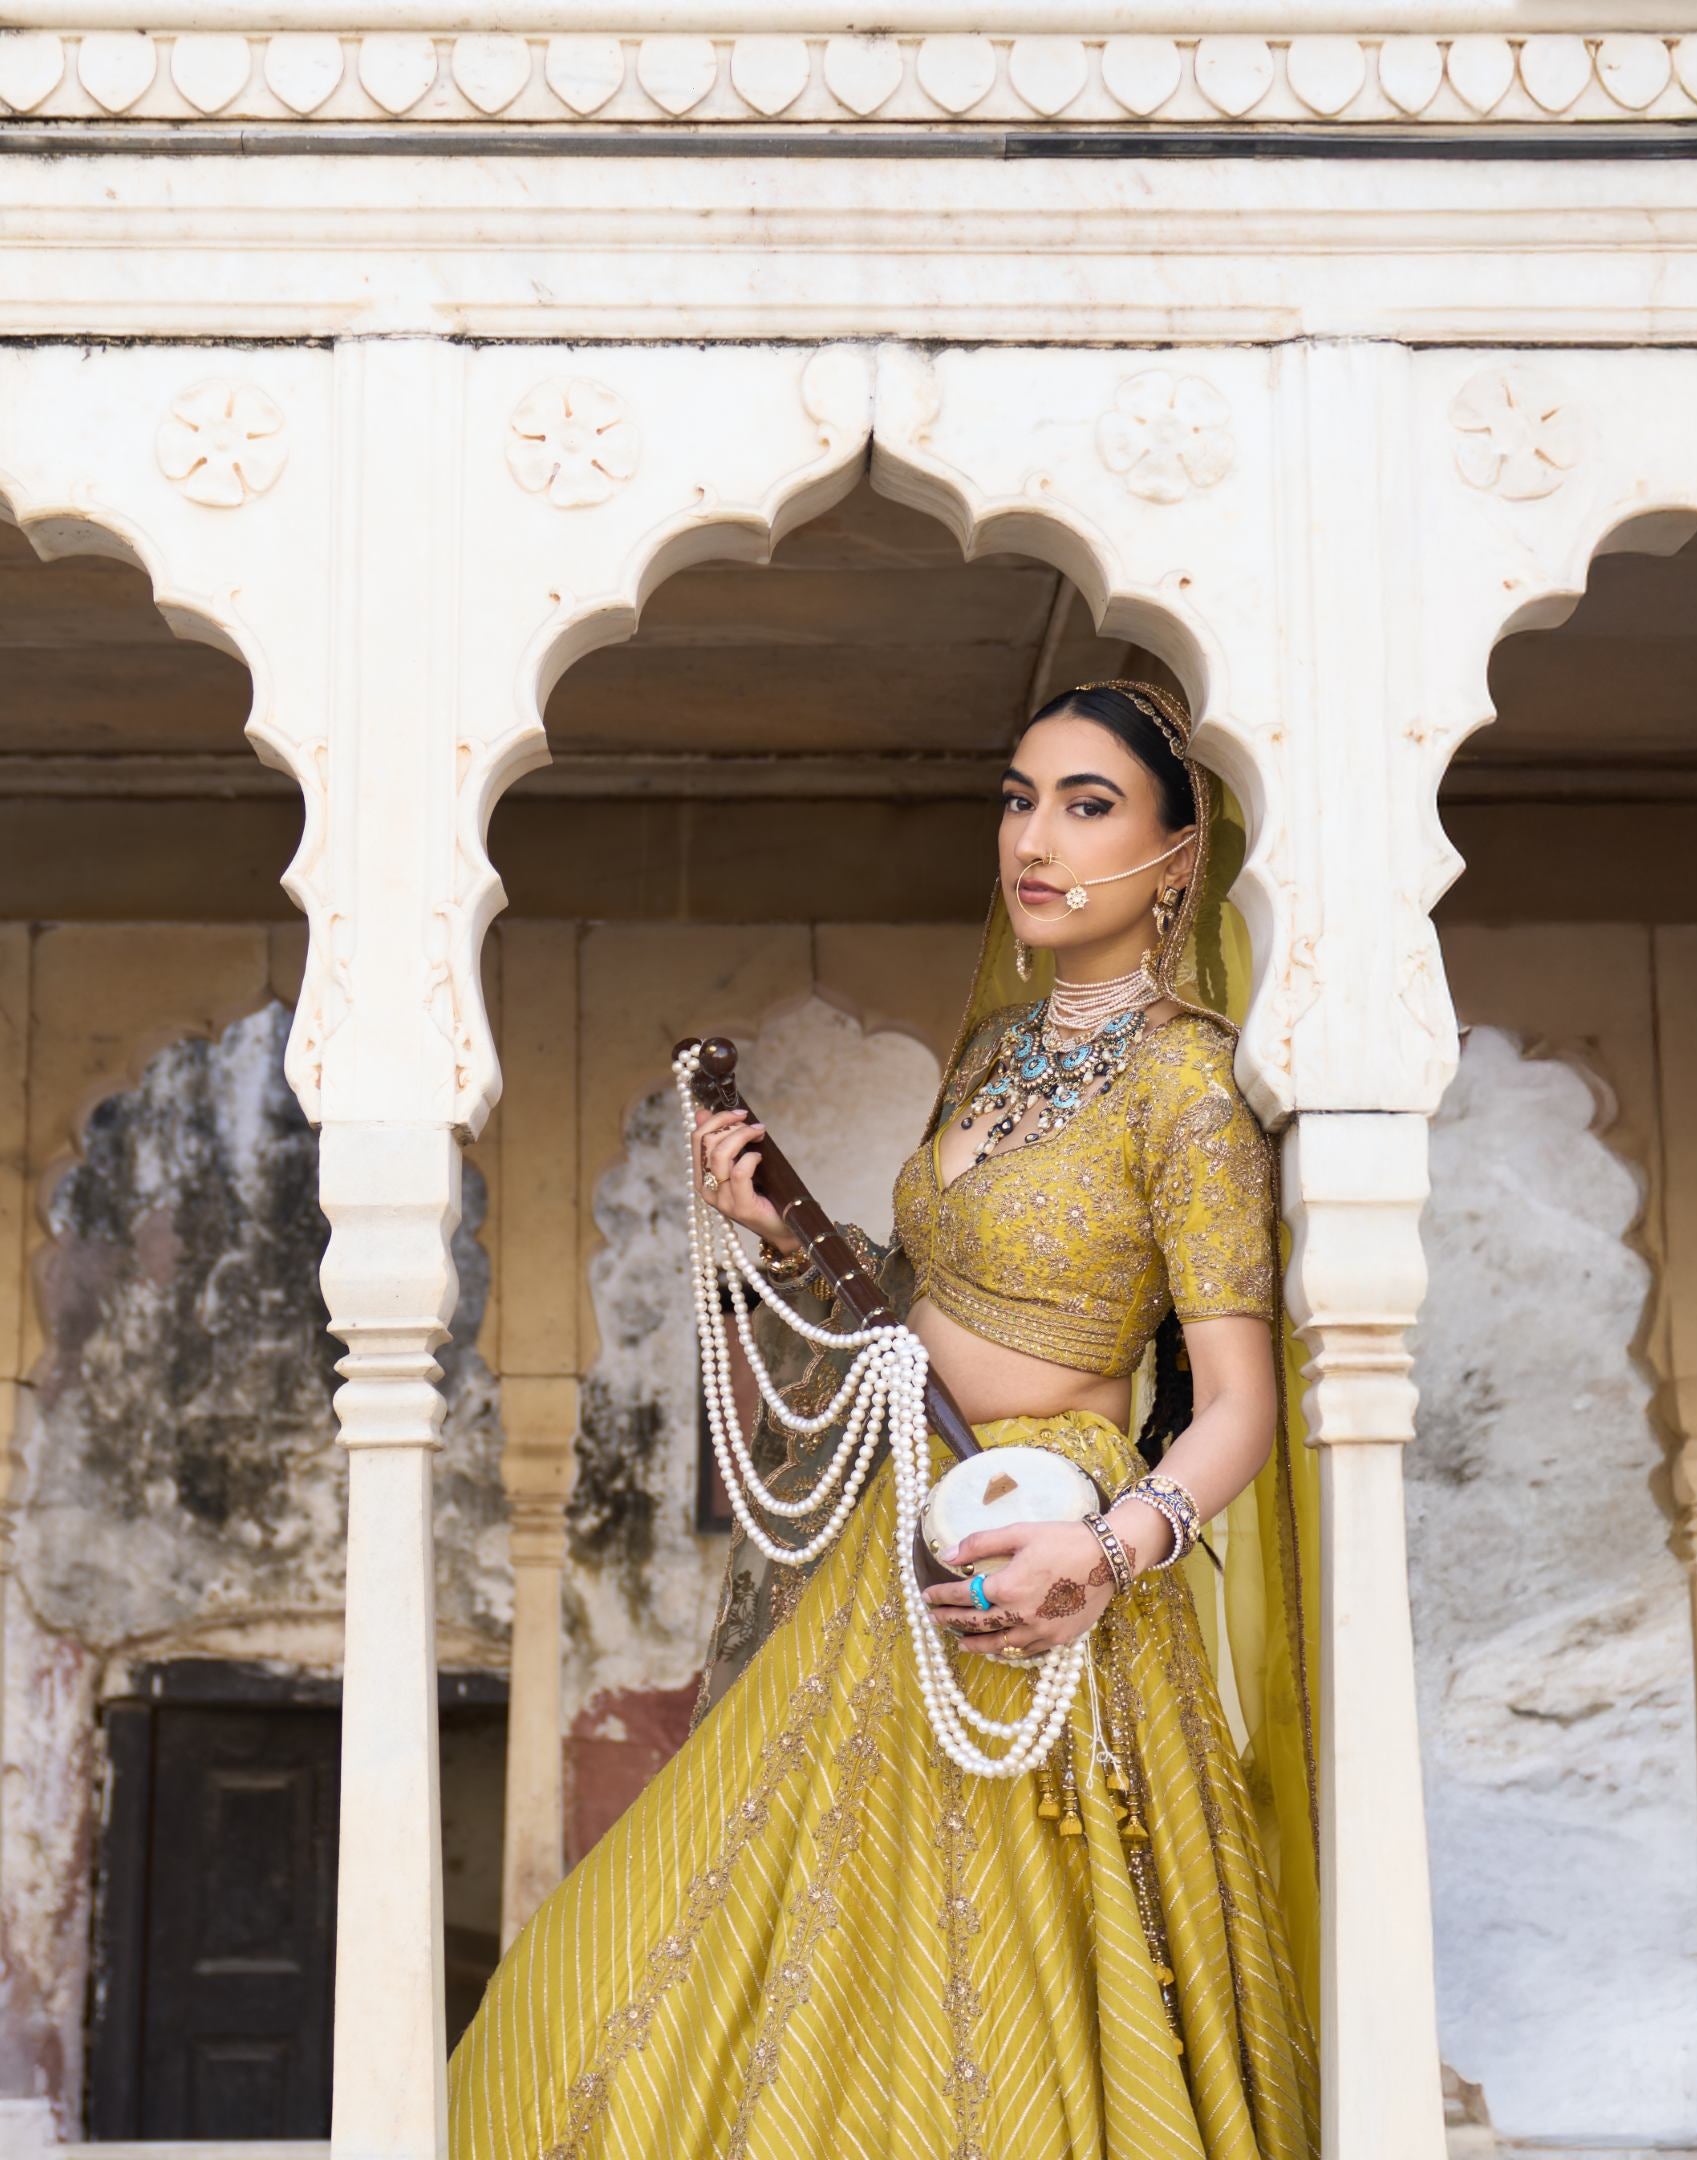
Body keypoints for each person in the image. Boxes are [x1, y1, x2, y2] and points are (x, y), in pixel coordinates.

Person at [448, 679, 1320, 2160]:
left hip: (1040, 1545)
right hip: (903, 1532)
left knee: (995, 1985)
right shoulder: (994, 1054)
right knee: (666, 1953)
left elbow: (1240, 1402)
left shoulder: (1187, 1090)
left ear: (1178, 856)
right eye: (1018, 800)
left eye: (1088, 807)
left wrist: (1109, 1549)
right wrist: (784, 1238)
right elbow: (921, 1307)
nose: (1034, 841)